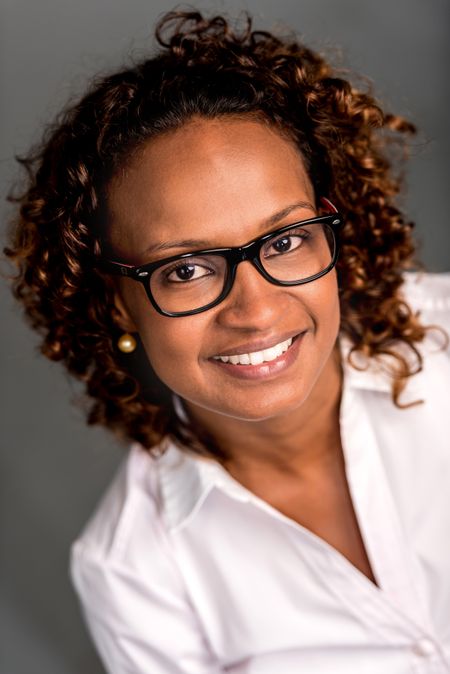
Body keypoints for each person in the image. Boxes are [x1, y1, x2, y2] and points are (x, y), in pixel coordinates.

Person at [4, 8, 450, 674]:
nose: (256, 308)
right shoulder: (134, 572)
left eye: (286, 239)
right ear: (116, 301)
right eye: (185, 269)